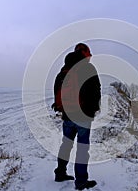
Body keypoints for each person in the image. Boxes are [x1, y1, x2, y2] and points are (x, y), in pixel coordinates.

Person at [53, 43, 101, 190]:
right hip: (83, 117)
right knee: (82, 148)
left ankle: (60, 173)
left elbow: (56, 90)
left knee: (66, 145)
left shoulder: (63, 71)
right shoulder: (88, 68)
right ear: (85, 54)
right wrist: (93, 110)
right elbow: (96, 91)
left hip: (67, 115)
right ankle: (81, 181)